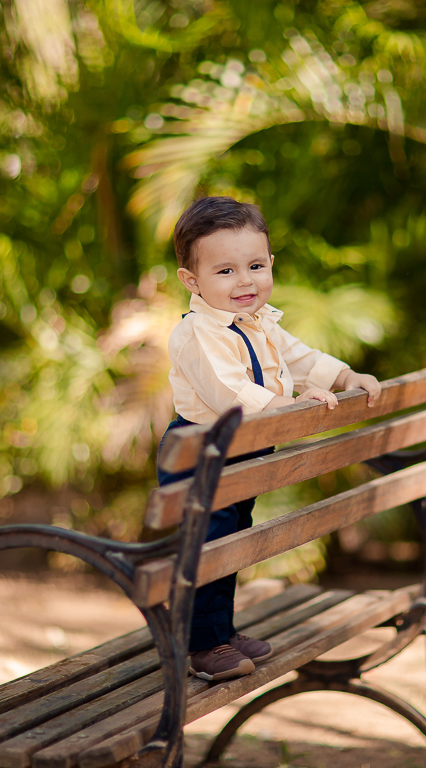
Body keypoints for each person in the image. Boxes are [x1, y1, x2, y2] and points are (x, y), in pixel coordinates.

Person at [158, 196, 381, 682]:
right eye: (225, 271)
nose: (245, 281)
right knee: (209, 546)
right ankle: (201, 644)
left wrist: (344, 376)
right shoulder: (200, 333)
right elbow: (230, 393)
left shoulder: (259, 324)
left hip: (243, 451)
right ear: (191, 281)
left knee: (231, 543)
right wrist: (292, 408)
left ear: (270, 265)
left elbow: (300, 359)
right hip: (203, 451)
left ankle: (220, 629)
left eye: (255, 266)